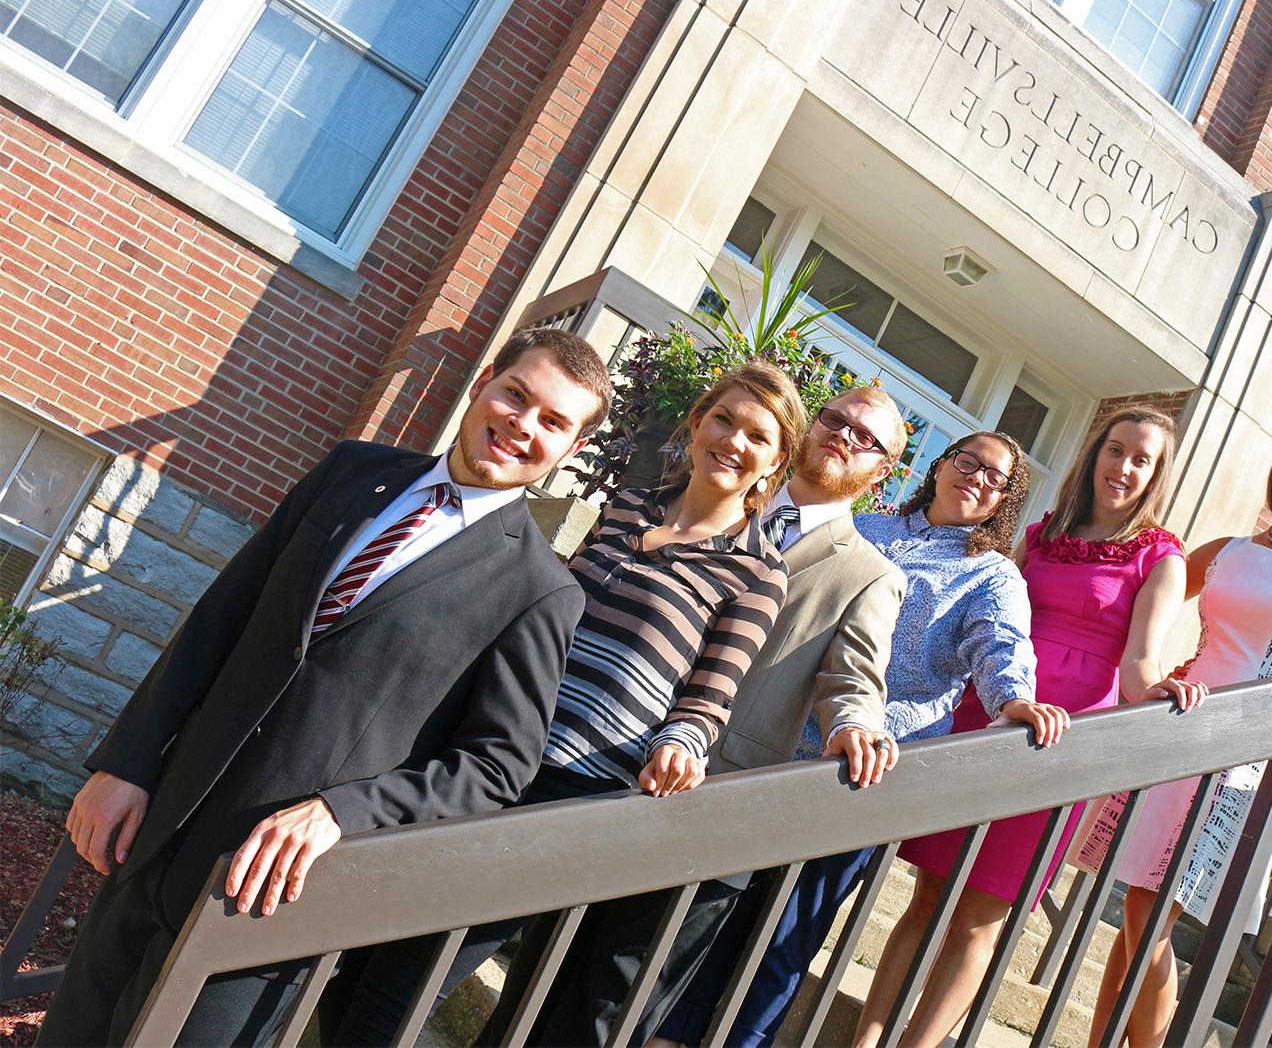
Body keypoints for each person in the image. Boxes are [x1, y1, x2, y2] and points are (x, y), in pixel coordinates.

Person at [36, 327, 615, 1047]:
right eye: (516, 394)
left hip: (268, 897)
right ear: (485, 381)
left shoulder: (538, 591)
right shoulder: (350, 470)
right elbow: (223, 615)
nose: (522, 424)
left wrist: (343, 811)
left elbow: (497, 766)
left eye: (554, 421)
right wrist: (126, 760)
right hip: (161, 828)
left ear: (573, 450)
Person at [324, 360, 803, 1046]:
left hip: (569, 787)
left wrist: (683, 741)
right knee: (361, 963)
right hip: (492, 750)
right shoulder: (627, 507)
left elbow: (710, 694)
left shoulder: (757, 571)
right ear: (697, 422)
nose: (733, 440)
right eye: (724, 418)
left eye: (757, 435)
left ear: (776, 460)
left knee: (403, 983)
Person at [508, 387, 910, 1048]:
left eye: (866, 437)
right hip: (603, 774)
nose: (843, 435)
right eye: (835, 418)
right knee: (533, 983)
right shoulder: (694, 503)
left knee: (606, 1016)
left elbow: (853, 678)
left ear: (883, 470)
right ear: (803, 432)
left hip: (711, 811)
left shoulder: (868, 574)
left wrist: (855, 723)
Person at [656, 430, 1071, 1048]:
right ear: (940, 466)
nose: (975, 478)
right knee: (710, 908)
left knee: (787, 934)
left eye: (995, 477)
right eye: (967, 461)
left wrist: (1013, 698)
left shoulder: (991, 575)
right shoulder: (865, 529)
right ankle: (664, 1032)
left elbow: (1001, 642)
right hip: (774, 746)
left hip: (865, 773)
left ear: (1004, 501)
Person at [853, 407, 1201, 1048]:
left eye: (1140, 459)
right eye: (1115, 449)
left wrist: (1159, 689)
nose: (1122, 467)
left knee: (982, 912)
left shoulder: (1161, 555)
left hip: (1060, 742)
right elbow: (986, 615)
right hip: (986, 718)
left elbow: (1139, 662)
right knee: (928, 892)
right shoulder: (1038, 535)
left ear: (1156, 475)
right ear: (1094, 453)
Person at [1083, 424, 1272, 1048]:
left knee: (1148, 918)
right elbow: (1151, 598)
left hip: (1245, 765)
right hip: (1178, 735)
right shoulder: (1224, 550)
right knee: (1137, 923)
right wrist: (1147, 670)